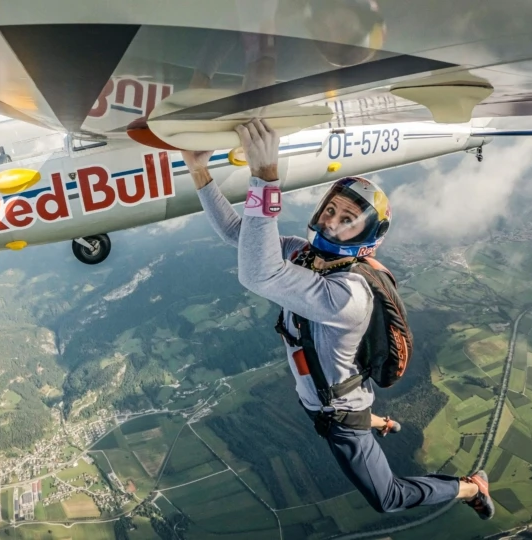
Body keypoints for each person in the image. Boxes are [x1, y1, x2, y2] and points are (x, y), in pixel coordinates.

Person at [181, 118, 494, 519]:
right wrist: (199, 170)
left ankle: (470, 488)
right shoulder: (305, 255)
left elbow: (258, 272)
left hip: (341, 417)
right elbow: (236, 233)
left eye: (347, 219)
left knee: (387, 499)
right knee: (338, 398)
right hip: (321, 397)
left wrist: (265, 176)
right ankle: (379, 421)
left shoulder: (348, 295)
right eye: (331, 209)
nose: (330, 220)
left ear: (366, 237)